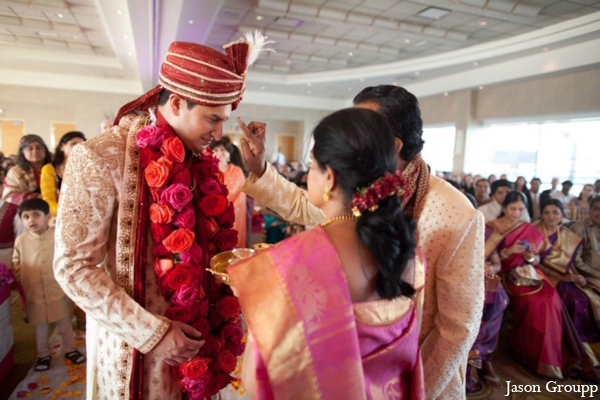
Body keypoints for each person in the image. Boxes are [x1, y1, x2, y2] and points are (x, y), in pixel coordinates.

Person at [53, 34, 271, 400]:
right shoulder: (100, 157)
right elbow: (72, 267)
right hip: (137, 355)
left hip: (199, 342)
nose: (219, 133)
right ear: (177, 101)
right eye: (212, 119)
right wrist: (151, 333)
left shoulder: (200, 159)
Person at [240, 85, 484, 399]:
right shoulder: (356, 193)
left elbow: (457, 328)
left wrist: (411, 390)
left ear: (393, 145)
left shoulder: (456, 214)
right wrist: (261, 169)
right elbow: (307, 204)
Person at [229, 108, 425, 399]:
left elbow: (258, 377)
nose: (308, 175)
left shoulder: (289, 264)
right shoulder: (409, 253)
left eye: (311, 166)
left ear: (329, 177)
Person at [493, 192, 597, 380]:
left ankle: (552, 358)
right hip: (505, 275)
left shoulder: (527, 228)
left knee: (551, 298)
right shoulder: (492, 227)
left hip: (531, 272)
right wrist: (508, 251)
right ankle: (527, 353)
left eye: (520, 209)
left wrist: (530, 256)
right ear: (504, 208)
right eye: (512, 208)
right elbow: (486, 258)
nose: (516, 213)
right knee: (534, 302)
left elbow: (537, 259)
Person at [12, 199, 84, 372]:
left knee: (64, 323)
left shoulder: (57, 236)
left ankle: (70, 349)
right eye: (26, 217)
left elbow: (68, 256)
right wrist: (23, 279)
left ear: (48, 216)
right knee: (40, 327)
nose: (31, 220)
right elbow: (16, 262)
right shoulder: (21, 240)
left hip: (57, 290)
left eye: (36, 215)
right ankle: (43, 354)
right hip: (34, 292)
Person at [536, 199, 599, 346]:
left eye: (555, 212)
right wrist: (564, 277)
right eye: (547, 213)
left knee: (585, 298)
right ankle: (572, 346)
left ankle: (587, 346)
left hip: (566, 275)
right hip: (543, 276)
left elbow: (571, 262)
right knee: (575, 300)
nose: (551, 216)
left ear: (562, 214)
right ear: (542, 214)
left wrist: (576, 276)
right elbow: (536, 263)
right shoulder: (536, 232)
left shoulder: (566, 233)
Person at [466, 225, 508, 393]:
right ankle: (472, 360)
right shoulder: (451, 230)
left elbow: (497, 264)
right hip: (461, 282)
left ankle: (484, 358)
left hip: (484, 282)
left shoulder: (486, 234)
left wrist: (489, 268)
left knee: (498, 300)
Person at [210, 137, 247, 247]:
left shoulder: (236, 171)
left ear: (229, 153)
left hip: (230, 215)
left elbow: (231, 194)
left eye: (222, 150)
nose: (219, 153)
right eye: (216, 150)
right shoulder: (209, 169)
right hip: (210, 217)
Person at [40, 131, 86, 216]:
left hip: (83, 214)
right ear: (62, 146)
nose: (77, 147)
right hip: (59, 215)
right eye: (73, 144)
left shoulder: (87, 169)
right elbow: (48, 199)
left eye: (82, 145)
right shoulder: (49, 169)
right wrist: (64, 214)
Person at [2, 134, 51, 205]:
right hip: (26, 211)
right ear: (23, 153)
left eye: (39, 148)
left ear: (45, 151)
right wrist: (39, 197)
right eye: (30, 149)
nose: (35, 151)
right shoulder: (16, 172)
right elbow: (11, 196)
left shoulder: (54, 169)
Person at [571, 196, 600, 281]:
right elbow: (576, 261)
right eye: (597, 208)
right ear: (589, 210)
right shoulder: (578, 229)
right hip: (589, 276)